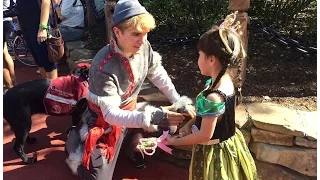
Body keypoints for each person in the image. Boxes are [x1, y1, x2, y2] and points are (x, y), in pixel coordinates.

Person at [64, 0, 195, 179]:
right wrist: (156, 116)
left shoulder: (144, 46)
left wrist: (177, 101)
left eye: (145, 34)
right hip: (104, 123)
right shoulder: (104, 65)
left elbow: (158, 75)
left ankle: (131, 145)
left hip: (131, 112)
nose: (143, 41)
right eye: (136, 34)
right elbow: (111, 115)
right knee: (96, 177)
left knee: (171, 117)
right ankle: (74, 139)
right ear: (117, 32)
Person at [163, 13, 258, 180]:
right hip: (229, 144)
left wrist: (173, 141)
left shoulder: (214, 97)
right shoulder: (224, 82)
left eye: (199, 55)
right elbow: (207, 117)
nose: (197, 60)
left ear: (212, 60)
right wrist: (190, 124)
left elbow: (204, 135)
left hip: (215, 154)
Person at [16, 0, 58, 79]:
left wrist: (42, 28)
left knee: (48, 61)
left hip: (38, 26)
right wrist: (19, 29)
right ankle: (45, 87)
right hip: (26, 27)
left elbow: (46, 2)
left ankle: (54, 88)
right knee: (39, 60)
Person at [3, 0, 16, 93]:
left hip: (4, 21)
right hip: (7, 22)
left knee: (5, 54)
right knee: (5, 53)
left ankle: (9, 86)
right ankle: (12, 84)